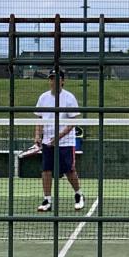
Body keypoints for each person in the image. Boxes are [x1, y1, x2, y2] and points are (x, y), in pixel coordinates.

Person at [34, 68, 85, 212]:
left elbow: (73, 122)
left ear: (62, 81)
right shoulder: (43, 98)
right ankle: (47, 200)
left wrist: (59, 137)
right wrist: (37, 135)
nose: (53, 81)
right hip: (47, 142)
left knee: (69, 170)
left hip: (65, 142)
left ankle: (78, 195)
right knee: (46, 170)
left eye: (56, 78)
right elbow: (39, 119)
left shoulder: (69, 98)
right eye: (51, 78)